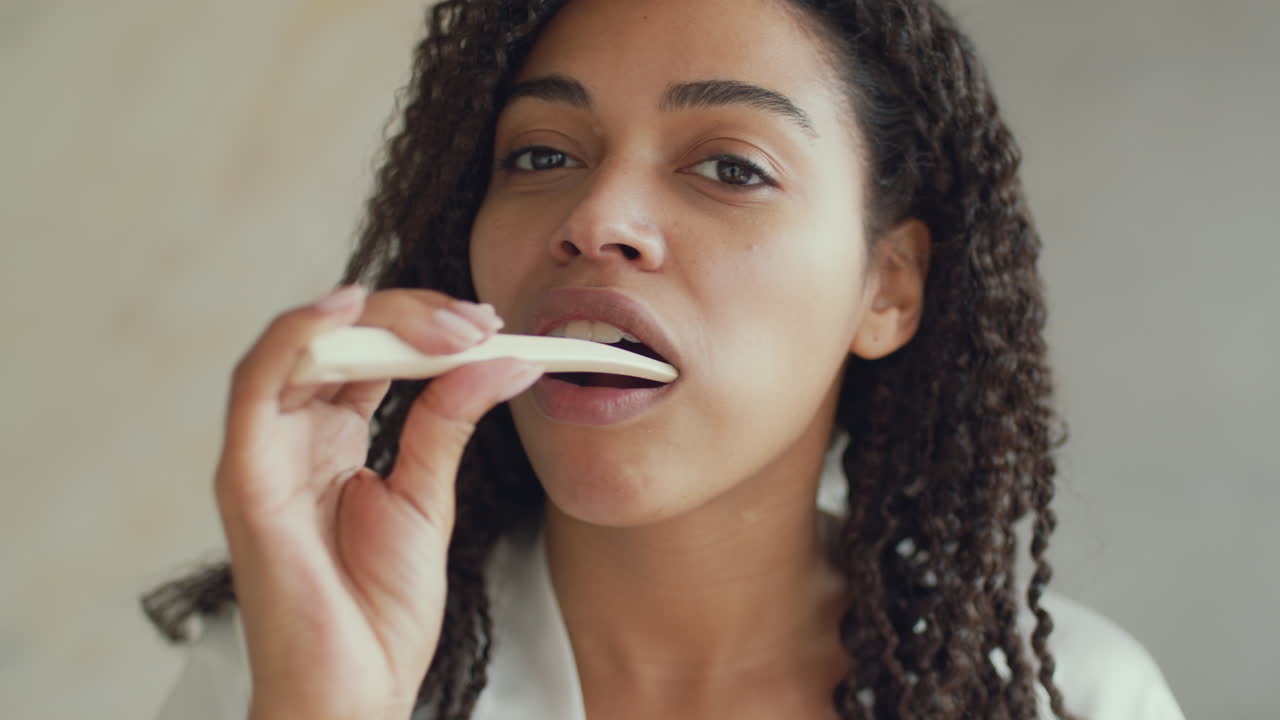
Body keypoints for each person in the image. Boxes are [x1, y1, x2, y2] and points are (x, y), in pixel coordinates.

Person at [145, 0, 1186, 718]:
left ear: (887, 288)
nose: (596, 217)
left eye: (730, 166)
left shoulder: (1069, 698)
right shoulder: (278, 663)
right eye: (541, 156)